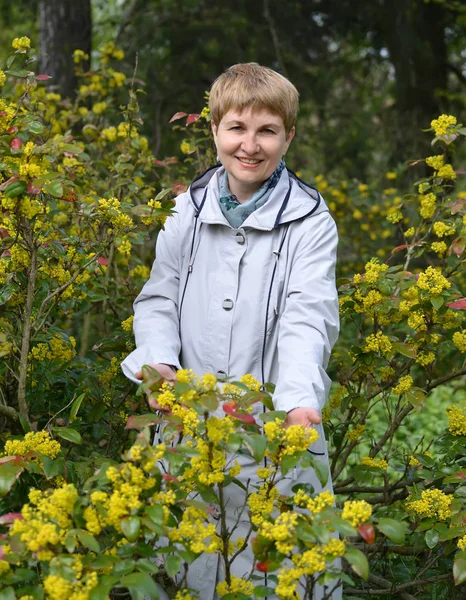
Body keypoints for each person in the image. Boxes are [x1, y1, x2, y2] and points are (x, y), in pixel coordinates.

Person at [121, 63, 340, 599]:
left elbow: (306, 316)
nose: (250, 145)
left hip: (276, 429)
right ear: (215, 131)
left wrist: (298, 402)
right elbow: (158, 298)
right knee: (191, 574)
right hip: (188, 424)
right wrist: (157, 361)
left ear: (289, 136)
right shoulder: (185, 212)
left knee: (278, 572)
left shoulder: (310, 222)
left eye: (267, 130)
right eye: (237, 128)